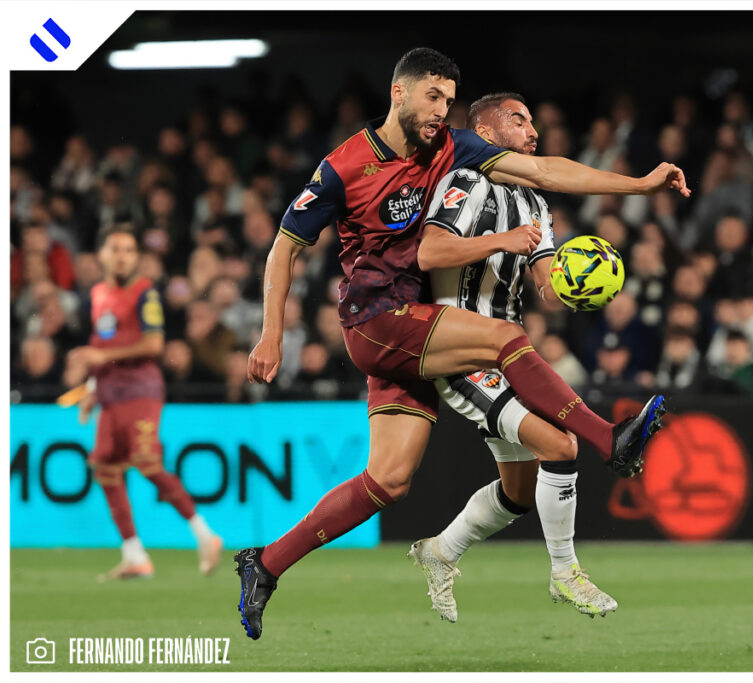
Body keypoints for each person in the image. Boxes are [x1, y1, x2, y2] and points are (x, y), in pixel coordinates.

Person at [236, 47, 687, 640]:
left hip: (416, 330)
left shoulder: (451, 148)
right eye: (432, 97)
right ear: (398, 92)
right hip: (377, 317)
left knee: (389, 481)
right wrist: (272, 333)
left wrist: (639, 184)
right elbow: (284, 248)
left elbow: (547, 171)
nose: (440, 110)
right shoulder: (344, 166)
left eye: (448, 100)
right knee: (506, 341)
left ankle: (264, 564)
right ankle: (610, 440)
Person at [408, 93, 615, 621]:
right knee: (560, 445)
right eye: (518, 120)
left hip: (507, 351)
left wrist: (583, 280)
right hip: (456, 345)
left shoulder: (536, 203)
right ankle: (566, 573)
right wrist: (503, 239)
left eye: (533, 121)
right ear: (486, 130)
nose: (532, 131)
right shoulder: (465, 183)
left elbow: (546, 282)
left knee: (519, 493)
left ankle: (440, 552)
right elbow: (429, 253)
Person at [67, 224, 222, 580]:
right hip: (110, 393)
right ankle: (134, 553)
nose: (122, 256)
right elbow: (101, 347)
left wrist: (97, 358)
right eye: (116, 249)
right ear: (103, 255)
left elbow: (153, 346)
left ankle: (204, 534)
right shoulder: (97, 295)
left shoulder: (145, 294)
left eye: (129, 250)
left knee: (145, 460)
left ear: (135, 258)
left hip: (140, 389)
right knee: (105, 467)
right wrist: (92, 388)